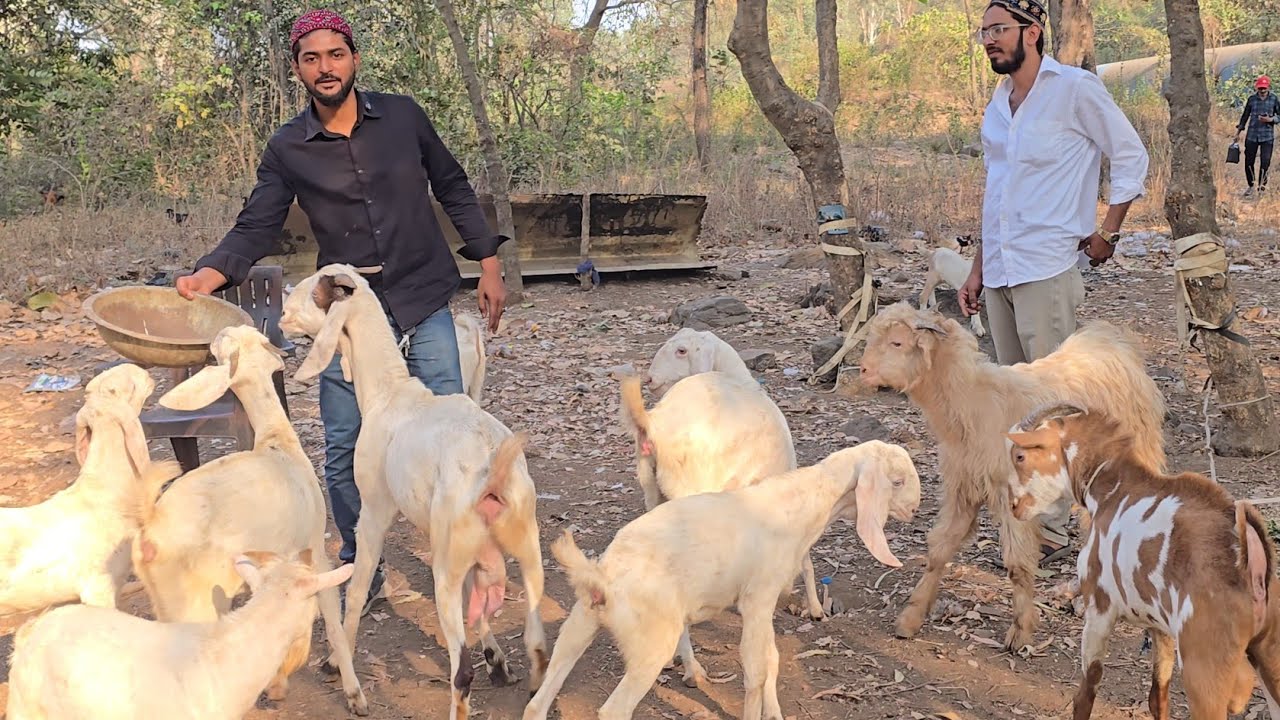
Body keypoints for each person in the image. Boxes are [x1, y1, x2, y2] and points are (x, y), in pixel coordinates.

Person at [175, 9, 509, 614]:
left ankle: (463, 552)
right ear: (297, 68)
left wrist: (487, 262)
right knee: (345, 440)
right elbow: (258, 222)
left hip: (422, 293)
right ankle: (363, 561)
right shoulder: (288, 148)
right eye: (311, 58)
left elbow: (453, 184)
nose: (324, 68)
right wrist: (214, 271)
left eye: (335, 55)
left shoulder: (403, 116)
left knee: (449, 428)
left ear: (353, 59)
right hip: (348, 316)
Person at [958, 0, 1149, 566]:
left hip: (1047, 266)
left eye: (999, 30)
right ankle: (1026, 517)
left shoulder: (1075, 90)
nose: (990, 40)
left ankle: (1060, 526)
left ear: (1032, 31)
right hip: (1002, 271)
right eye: (985, 31)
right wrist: (978, 265)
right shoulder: (998, 103)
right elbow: (997, 189)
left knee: (1055, 405)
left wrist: (1108, 231)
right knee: (1013, 404)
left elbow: (1130, 154)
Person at [1236, 74, 1279, 196]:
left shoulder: (1274, 99)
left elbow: (1279, 116)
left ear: (1268, 87)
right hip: (1252, 135)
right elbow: (1245, 116)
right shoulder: (1251, 99)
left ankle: (1262, 187)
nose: (1262, 91)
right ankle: (1251, 185)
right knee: (1249, 161)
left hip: (1267, 136)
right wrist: (1238, 131)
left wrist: (1271, 120)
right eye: (1260, 88)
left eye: (1264, 88)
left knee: (1265, 162)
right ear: (1257, 88)